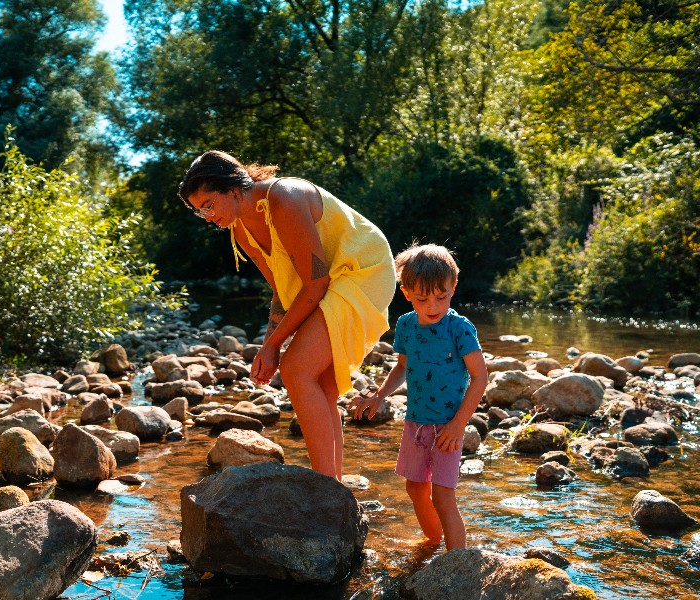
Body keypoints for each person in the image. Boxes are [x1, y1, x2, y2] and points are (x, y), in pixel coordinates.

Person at [178, 150, 396, 480]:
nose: (207, 216)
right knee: (320, 383)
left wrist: (274, 347)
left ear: (232, 186)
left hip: (362, 270)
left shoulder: (284, 197)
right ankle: (334, 485)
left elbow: (316, 281)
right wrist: (270, 342)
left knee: (295, 369)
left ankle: (327, 491)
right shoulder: (241, 231)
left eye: (208, 204)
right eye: (199, 212)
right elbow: (282, 291)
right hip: (331, 280)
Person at [349, 243, 488, 549]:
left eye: (442, 296)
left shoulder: (459, 329)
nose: (433, 306)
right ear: (407, 292)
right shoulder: (406, 325)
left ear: (454, 286)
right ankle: (431, 541)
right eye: (423, 299)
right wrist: (379, 395)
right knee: (414, 487)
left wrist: (458, 425)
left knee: (443, 495)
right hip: (415, 423)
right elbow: (402, 366)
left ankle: (456, 564)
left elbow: (480, 376)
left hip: (448, 427)